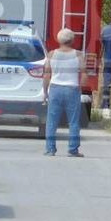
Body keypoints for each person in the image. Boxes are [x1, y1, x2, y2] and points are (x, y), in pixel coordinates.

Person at [43, 28, 85, 157]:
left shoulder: (51, 54)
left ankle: (50, 149)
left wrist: (45, 92)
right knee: (73, 121)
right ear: (72, 40)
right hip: (72, 88)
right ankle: (73, 149)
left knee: (52, 121)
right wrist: (80, 88)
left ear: (58, 39)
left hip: (55, 88)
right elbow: (84, 74)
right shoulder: (78, 55)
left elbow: (46, 75)